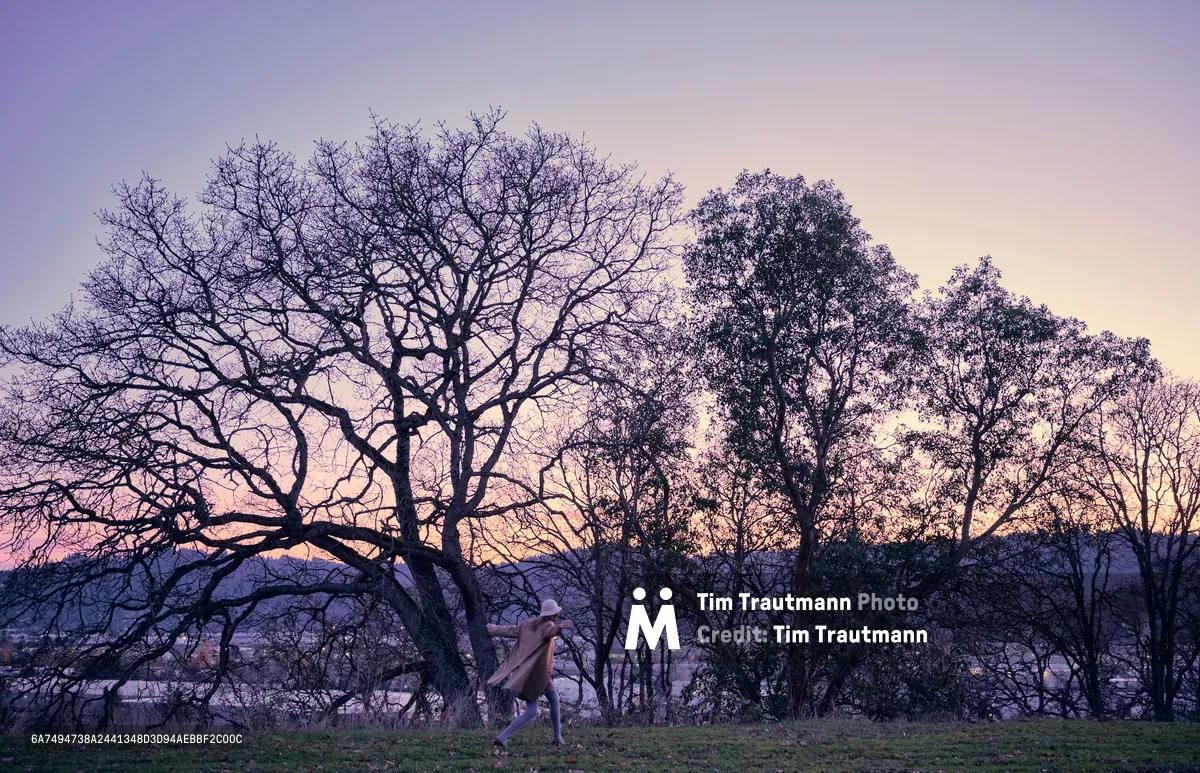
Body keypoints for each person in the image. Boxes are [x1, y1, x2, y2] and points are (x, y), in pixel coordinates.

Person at [486, 599, 573, 749]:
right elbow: (550, 632)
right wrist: (559, 628)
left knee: (546, 704)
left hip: (527, 675)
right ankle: (556, 737)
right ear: (554, 615)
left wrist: (494, 629)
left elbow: (510, 630)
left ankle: (557, 737)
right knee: (538, 709)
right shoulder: (548, 626)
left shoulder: (528, 624)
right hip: (539, 676)